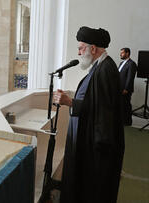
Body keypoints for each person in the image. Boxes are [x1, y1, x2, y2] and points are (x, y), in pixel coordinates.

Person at [54, 26, 124, 203]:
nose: (78, 52)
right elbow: (95, 103)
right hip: (92, 144)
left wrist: (70, 102)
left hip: (98, 150)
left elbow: (103, 111)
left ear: (93, 49)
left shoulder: (106, 70)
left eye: (81, 48)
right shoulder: (99, 67)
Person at [119, 47, 137, 126]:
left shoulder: (131, 63)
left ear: (127, 53)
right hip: (120, 88)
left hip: (126, 89)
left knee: (126, 106)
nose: (121, 54)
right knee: (121, 105)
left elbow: (130, 77)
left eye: (122, 53)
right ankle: (122, 120)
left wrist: (126, 88)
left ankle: (128, 122)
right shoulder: (121, 63)